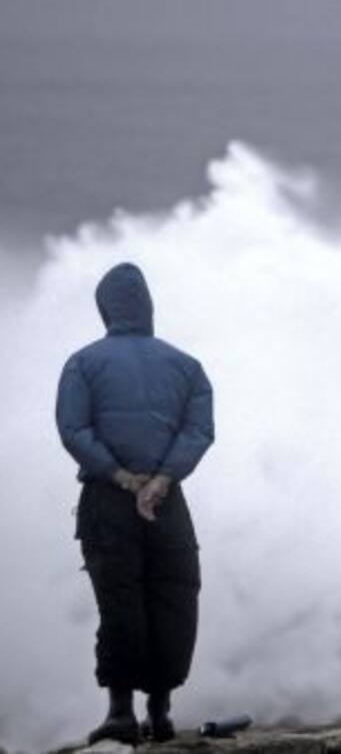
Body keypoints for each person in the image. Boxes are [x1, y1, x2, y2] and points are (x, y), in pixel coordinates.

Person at [56, 262, 214, 745]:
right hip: (167, 502)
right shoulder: (187, 367)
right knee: (173, 596)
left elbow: (73, 430)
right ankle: (161, 713)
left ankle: (121, 713)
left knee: (119, 601)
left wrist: (124, 478)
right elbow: (199, 431)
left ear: (105, 310)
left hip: (107, 499)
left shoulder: (83, 363)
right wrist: (162, 480)